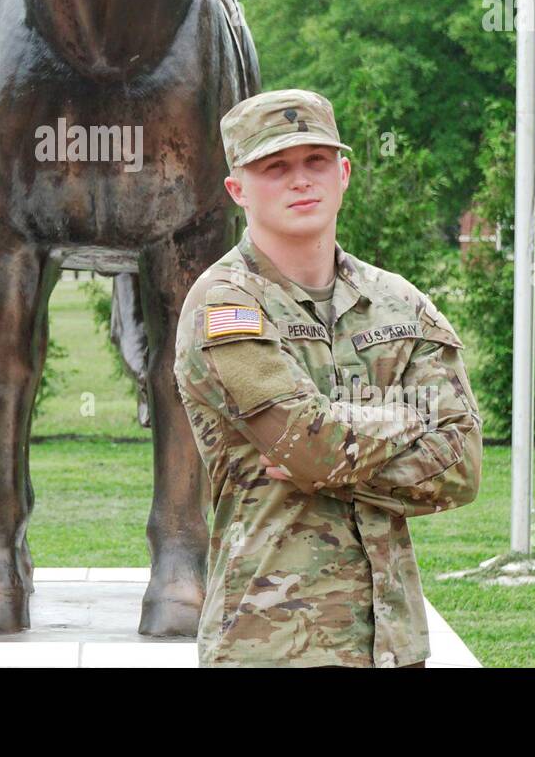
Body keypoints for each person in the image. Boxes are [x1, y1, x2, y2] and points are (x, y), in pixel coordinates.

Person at [174, 88, 482, 667]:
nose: (300, 180)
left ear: (342, 174)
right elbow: (308, 445)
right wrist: (407, 418)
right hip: (272, 641)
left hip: (392, 642)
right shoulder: (225, 305)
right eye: (275, 167)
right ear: (238, 189)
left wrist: (331, 450)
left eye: (315, 161)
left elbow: (461, 465)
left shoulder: (399, 304)